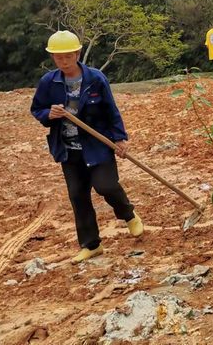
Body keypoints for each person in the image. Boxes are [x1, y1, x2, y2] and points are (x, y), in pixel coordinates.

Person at [30, 30, 143, 264]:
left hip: (97, 145)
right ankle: (91, 245)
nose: (63, 61)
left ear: (78, 53)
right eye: (58, 57)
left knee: (106, 186)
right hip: (68, 150)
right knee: (78, 196)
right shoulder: (48, 82)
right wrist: (48, 114)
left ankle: (128, 214)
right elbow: (37, 109)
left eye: (68, 56)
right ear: (53, 58)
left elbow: (112, 111)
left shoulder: (95, 79)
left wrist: (120, 139)